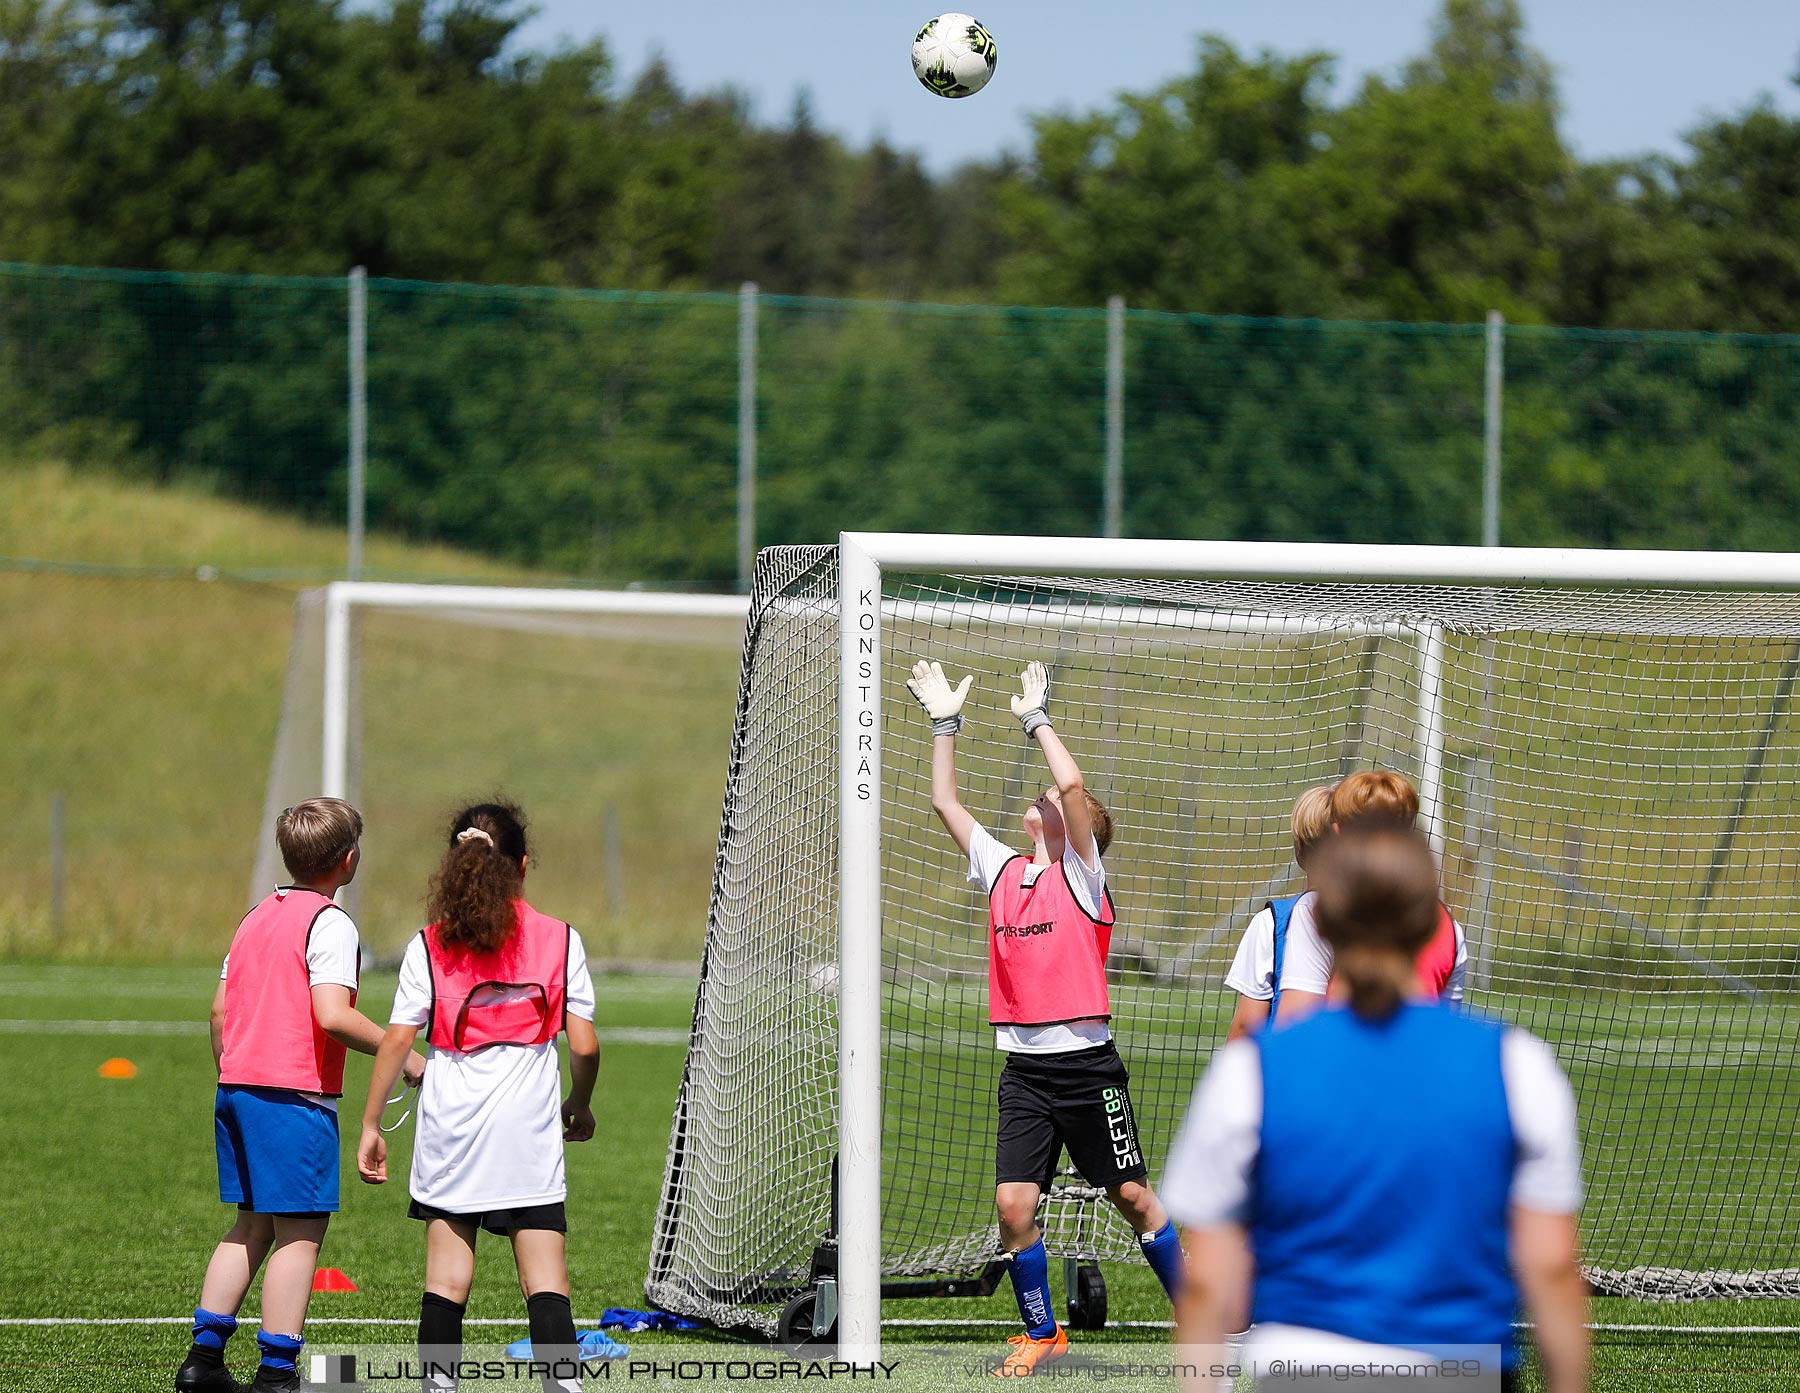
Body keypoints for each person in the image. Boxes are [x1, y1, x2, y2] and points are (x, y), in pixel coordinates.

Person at [1166, 821, 1590, 1392]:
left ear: (1321, 922)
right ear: (1431, 923)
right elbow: (1553, 1268)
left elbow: (1209, 1286)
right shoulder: (1518, 1067)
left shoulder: (1249, 1075)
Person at [909, 659, 1185, 1377]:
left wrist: (1037, 720)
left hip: (1089, 1067)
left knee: (1132, 1196)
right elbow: (944, 800)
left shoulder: (1083, 878)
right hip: (1027, 1072)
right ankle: (1042, 1333)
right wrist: (946, 725)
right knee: (1011, 1206)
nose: (1051, 800)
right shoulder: (1002, 869)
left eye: (1068, 806)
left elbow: (1070, 785)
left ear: (1084, 830)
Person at [179, 798, 426, 1393]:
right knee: (299, 1235)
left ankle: (203, 1363)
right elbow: (333, 1016)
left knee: (249, 1227)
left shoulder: (256, 916)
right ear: (349, 860)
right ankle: (277, 1374)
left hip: (235, 1088)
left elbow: (219, 1011)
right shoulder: (332, 923)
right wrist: (406, 1054)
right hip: (293, 1098)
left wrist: (234, 1071)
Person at [358, 802, 600, 1393]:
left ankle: (439, 1387)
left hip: (452, 1125)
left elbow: (396, 1039)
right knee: (545, 1277)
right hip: (528, 1129)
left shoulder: (429, 944)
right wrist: (579, 1100)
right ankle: (562, 1385)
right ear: (521, 866)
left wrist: (369, 1122)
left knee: (446, 1277)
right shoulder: (560, 939)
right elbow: (586, 1044)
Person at [1269, 771, 1467, 1024]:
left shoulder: (1317, 909)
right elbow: (1445, 1035)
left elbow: (1294, 1032)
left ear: (1337, 831)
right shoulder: (1449, 928)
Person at [1222, 785, 1335, 1042]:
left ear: (1300, 849)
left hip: (1290, 1073)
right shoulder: (1383, 920)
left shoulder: (1272, 924)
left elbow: (1245, 1029)